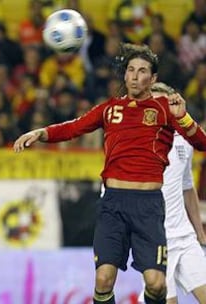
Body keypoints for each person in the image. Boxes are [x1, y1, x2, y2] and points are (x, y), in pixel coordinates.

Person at [13, 43, 206, 304]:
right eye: (130, 70)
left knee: (157, 285)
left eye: (142, 71)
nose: (135, 76)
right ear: (125, 75)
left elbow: (202, 144)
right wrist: (40, 133)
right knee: (103, 280)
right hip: (113, 204)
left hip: (148, 207)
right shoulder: (110, 109)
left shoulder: (164, 111)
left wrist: (183, 118)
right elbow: (74, 127)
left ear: (153, 78)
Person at [137, 82, 206, 303]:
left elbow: (187, 187)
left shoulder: (184, 141)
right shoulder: (132, 144)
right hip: (153, 240)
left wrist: (199, 231)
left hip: (184, 237)